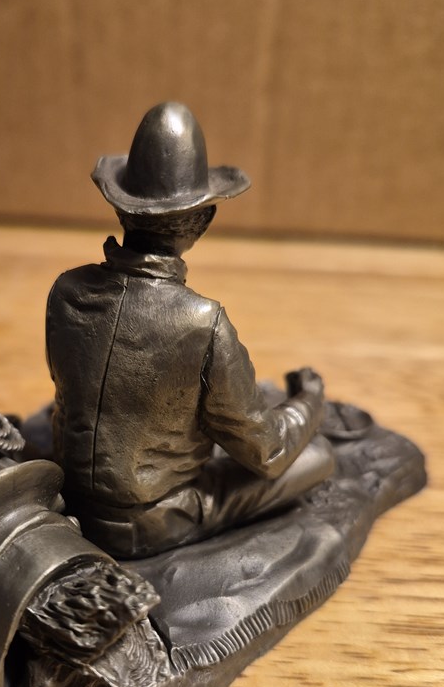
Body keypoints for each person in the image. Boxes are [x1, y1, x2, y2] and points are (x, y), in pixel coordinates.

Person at [46, 102, 334, 559]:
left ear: (122, 211)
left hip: (69, 499)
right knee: (318, 458)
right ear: (203, 220)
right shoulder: (202, 322)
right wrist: (311, 401)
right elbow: (267, 451)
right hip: (153, 521)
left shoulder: (66, 290)